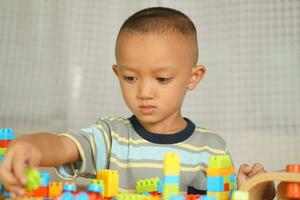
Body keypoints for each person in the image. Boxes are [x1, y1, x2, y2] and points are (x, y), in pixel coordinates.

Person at [0, 7, 275, 199]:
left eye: (162, 79)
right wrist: (30, 146)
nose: (144, 91)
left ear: (193, 77)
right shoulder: (109, 136)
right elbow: (61, 146)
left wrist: (252, 192)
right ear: (117, 74)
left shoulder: (212, 149)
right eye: (130, 77)